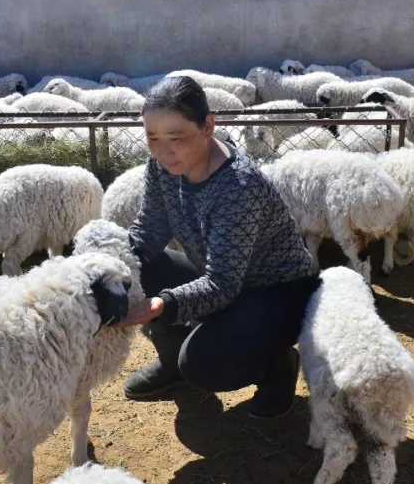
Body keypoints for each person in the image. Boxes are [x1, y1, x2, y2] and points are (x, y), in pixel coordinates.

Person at [113, 75, 321, 419]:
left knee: (202, 364)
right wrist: (111, 262)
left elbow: (223, 284)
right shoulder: (164, 166)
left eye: (176, 137)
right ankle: (171, 364)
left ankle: (276, 366)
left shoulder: (237, 187)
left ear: (208, 126)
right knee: (135, 264)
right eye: (152, 138)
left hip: (274, 294)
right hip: (219, 272)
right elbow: (149, 229)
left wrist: (164, 304)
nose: (164, 150)